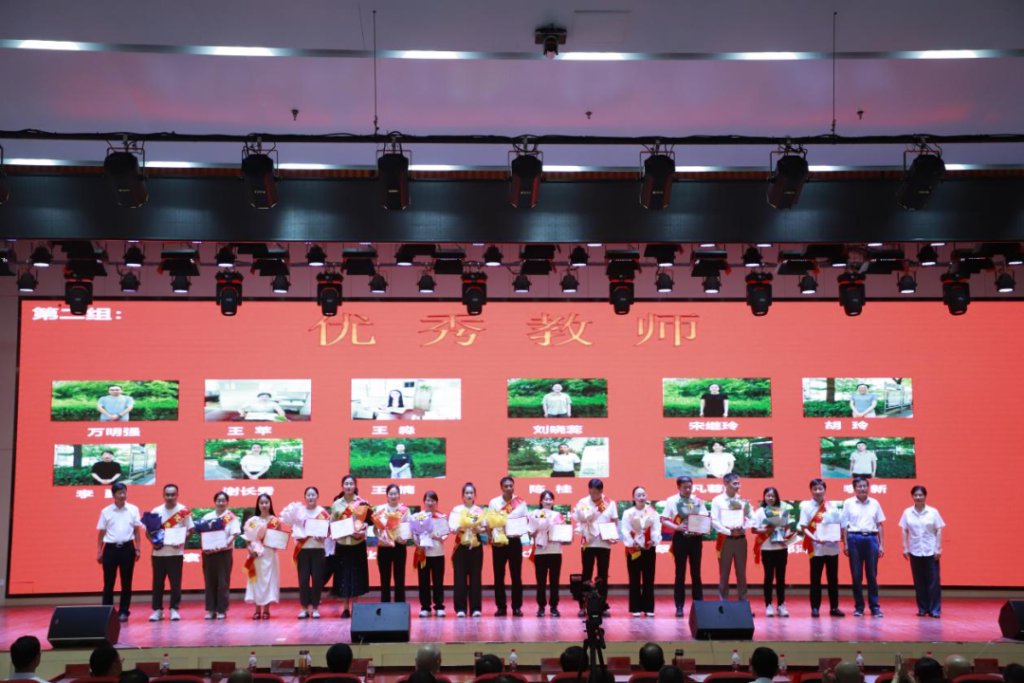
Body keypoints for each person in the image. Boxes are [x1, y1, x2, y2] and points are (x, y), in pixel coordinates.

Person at [661, 475, 709, 618]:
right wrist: (677, 527)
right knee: (680, 573)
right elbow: (664, 519)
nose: (688, 490)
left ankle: (699, 605)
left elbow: (705, 517)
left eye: (690, 487)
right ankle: (679, 606)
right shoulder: (672, 501)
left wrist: (700, 527)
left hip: (695, 539)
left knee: (696, 573)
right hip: (680, 538)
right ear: (678, 487)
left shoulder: (697, 500)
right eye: (685, 487)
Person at [798, 478, 845, 617]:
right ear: (811, 490)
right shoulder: (806, 507)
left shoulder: (832, 506)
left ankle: (834, 607)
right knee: (815, 579)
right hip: (816, 548)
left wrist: (839, 536)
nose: (818, 491)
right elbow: (804, 527)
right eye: (815, 489)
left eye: (820, 488)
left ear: (825, 490)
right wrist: (814, 538)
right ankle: (815, 608)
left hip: (832, 548)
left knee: (833, 579)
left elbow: (839, 524)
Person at [96, 481, 141, 622]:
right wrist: (99, 551)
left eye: (124, 492)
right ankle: (107, 611)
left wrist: (138, 548)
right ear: (113, 495)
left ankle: (123, 611)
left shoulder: (133, 509)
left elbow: (137, 530)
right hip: (110, 549)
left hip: (128, 548)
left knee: (126, 582)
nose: (122, 495)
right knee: (109, 582)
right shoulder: (106, 511)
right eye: (119, 493)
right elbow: (101, 533)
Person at [841, 476, 886, 617]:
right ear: (854, 489)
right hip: (854, 539)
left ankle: (875, 607)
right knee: (856, 575)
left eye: (865, 486)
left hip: (871, 539)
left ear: (868, 487)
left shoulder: (875, 503)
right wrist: (845, 543)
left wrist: (881, 544)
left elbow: (880, 524)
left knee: (872, 575)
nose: (862, 488)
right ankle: (859, 607)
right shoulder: (848, 503)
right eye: (859, 486)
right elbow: (844, 525)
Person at [572, 478, 618, 616]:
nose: (594, 495)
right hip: (588, 542)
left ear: (601, 491)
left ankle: (602, 605)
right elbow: (579, 519)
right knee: (586, 573)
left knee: (603, 574)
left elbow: (614, 521)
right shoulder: (583, 502)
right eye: (591, 492)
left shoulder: (610, 503)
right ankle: (584, 606)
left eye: (596, 493)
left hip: (604, 543)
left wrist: (613, 534)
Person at [149, 483, 193, 622]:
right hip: (158, 554)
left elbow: (190, 530)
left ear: (177, 495)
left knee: (175, 583)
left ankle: (174, 609)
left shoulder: (183, 511)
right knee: (157, 583)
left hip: (175, 553)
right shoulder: (156, 511)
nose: (170, 497)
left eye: (172, 494)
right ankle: (157, 610)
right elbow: (148, 532)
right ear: (163, 495)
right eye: (167, 494)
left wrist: (182, 540)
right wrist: (153, 542)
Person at [899, 485, 945, 618]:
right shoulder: (907, 512)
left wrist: (938, 548)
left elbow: (939, 530)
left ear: (925, 496)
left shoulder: (933, 512)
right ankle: (923, 608)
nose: (918, 497)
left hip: (931, 550)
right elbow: (904, 530)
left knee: (933, 581)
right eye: (916, 495)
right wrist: (905, 547)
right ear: (912, 496)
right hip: (915, 550)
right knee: (919, 581)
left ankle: (935, 610)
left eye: (921, 495)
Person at [328, 475, 370, 617]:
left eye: (351, 483)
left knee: (356, 576)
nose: (349, 486)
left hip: (357, 544)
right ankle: (345, 608)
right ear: (342, 486)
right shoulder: (336, 504)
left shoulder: (362, 503)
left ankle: (355, 608)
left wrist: (362, 532)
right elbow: (332, 523)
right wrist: (334, 531)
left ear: (355, 486)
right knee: (343, 577)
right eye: (346, 483)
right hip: (342, 544)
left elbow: (366, 523)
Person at [284, 486, 328, 619]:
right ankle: (303, 608)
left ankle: (315, 608)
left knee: (317, 580)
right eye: (308, 495)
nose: (311, 497)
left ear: (317, 496)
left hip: (318, 549)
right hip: (303, 550)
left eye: (313, 494)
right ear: (305, 497)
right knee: (303, 580)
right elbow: (294, 529)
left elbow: (328, 531)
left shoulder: (323, 512)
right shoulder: (299, 512)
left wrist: (323, 536)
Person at [488, 476, 528, 617]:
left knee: (516, 575)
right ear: (501, 487)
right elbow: (490, 523)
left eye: (511, 485)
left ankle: (517, 607)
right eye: (506, 486)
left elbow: (526, 521)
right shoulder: (494, 503)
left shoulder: (521, 503)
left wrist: (521, 531)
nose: (509, 488)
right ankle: (501, 607)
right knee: (499, 576)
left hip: (514, 541)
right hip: (499, 543)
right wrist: (493, 538)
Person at [710, 473, 752, 602]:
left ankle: (743, 601)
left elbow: (752, 518)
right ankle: (724, 602)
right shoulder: (717, 500)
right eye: (735, 483)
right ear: (725, 483)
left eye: (739, 483)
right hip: (725, 539)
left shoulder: (743, 501)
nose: (738, 486)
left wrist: (744, 527)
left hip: (741, 539)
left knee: (741, 572)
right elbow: (714, 520)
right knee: (724, 573)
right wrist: (728, 532)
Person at [620, 485, 661, 617]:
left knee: (649, 578)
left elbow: (656, 528)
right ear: (633, 498)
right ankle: (635, 607)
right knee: (634, 578)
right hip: (634, 549)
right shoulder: (628, 513)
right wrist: (632, 543)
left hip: (649, 548)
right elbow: (625, 530)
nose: (641, 497)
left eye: (643, 495)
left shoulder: (652, 512)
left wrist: (653, 541)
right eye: (638, 495)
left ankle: (649, 607)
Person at [199, 491, 240, 620]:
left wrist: (224, 544)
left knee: (223, 582)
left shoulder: (231, 517)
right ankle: (211, 610)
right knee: (209, 581)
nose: (221, 503)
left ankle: (222, 610)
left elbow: (234, 534)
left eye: (223, 500)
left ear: (227, 502)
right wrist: (206, 547)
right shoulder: (207, 516)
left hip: (224, 553)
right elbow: (203, 535)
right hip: (209, 553)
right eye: (218, 500)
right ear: (215, 502)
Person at [752, 486, 791, 617]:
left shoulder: (783, 511)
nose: (770, 498)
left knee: (781, 578)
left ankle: (781, 605)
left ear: (776, 497)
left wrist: (787, 535)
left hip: (781, 548)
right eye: (768, 496)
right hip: (767, 548)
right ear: (764, 497)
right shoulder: (760, 512)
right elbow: (754, 530)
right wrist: (767, 529)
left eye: (773, 496)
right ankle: (768, 605)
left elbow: (787, 527)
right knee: (768, 577)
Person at [449, 481, 485, 618]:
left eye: (471, 493)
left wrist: (479, 529)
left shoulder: (479, 510)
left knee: (476, 577)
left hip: (476, 545)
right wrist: (459, 527)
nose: (469, 495)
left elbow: (484, 526)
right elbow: (452, 528)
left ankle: (475, 608)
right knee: (460, 577)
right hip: (461, 544)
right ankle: (461, 608)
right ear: (462, 495)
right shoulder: (457, 510)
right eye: (466, 493)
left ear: (475, 495)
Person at [243, 493, 281, 619]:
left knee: (268, 581)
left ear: (270, 504)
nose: (264, 505)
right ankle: (257, 610)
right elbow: (247, 539)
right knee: (256, 581)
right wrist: (250, 550)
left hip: (269, 555)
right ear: (258, 505)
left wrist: (275, 544)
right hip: (255, 555)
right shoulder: (253, 521)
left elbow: (279, 538)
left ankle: (266, 610)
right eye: (261, 503)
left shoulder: (275, 521)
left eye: (266, 502)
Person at [529, 489, 566, 617]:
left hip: (555, 551)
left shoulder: (558, 515)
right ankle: (541, 607)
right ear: (541, 501)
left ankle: (554, 607)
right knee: (541, 582)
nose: (548, 501)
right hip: (540, 552)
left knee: (554, 581)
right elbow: (531, 533)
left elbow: (563, 532)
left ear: (553, 501)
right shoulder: (535, 514)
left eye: (550, 499)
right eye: (545, 499)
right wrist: (538, 528)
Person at [412, 490, 448, 618]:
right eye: (428, 500)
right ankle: (425, 607)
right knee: (423, 581)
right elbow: (414, 534)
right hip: (423, 554)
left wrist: (439, 537)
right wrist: (417, 543)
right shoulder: (418, 517)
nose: (430, 503)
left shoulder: (441, 517)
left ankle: (439, 606)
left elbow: (445, 535)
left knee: (438, 581)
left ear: (436, 502)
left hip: (438, 553)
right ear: (424, 502)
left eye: (432, 500)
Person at [374, 483, 411, 603]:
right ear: (387, 496)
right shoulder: (380, 510)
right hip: (384, 547)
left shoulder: (405, 510)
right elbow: (375, 529)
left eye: (395, 494)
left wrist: (405, 539)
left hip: (399, 546)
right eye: (391, 494)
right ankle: (385, 605)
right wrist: (380, 537)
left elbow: (408, 527)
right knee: (385, 578)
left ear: (399, 495)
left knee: (399, 578)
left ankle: (400, 606)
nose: (393, 496)